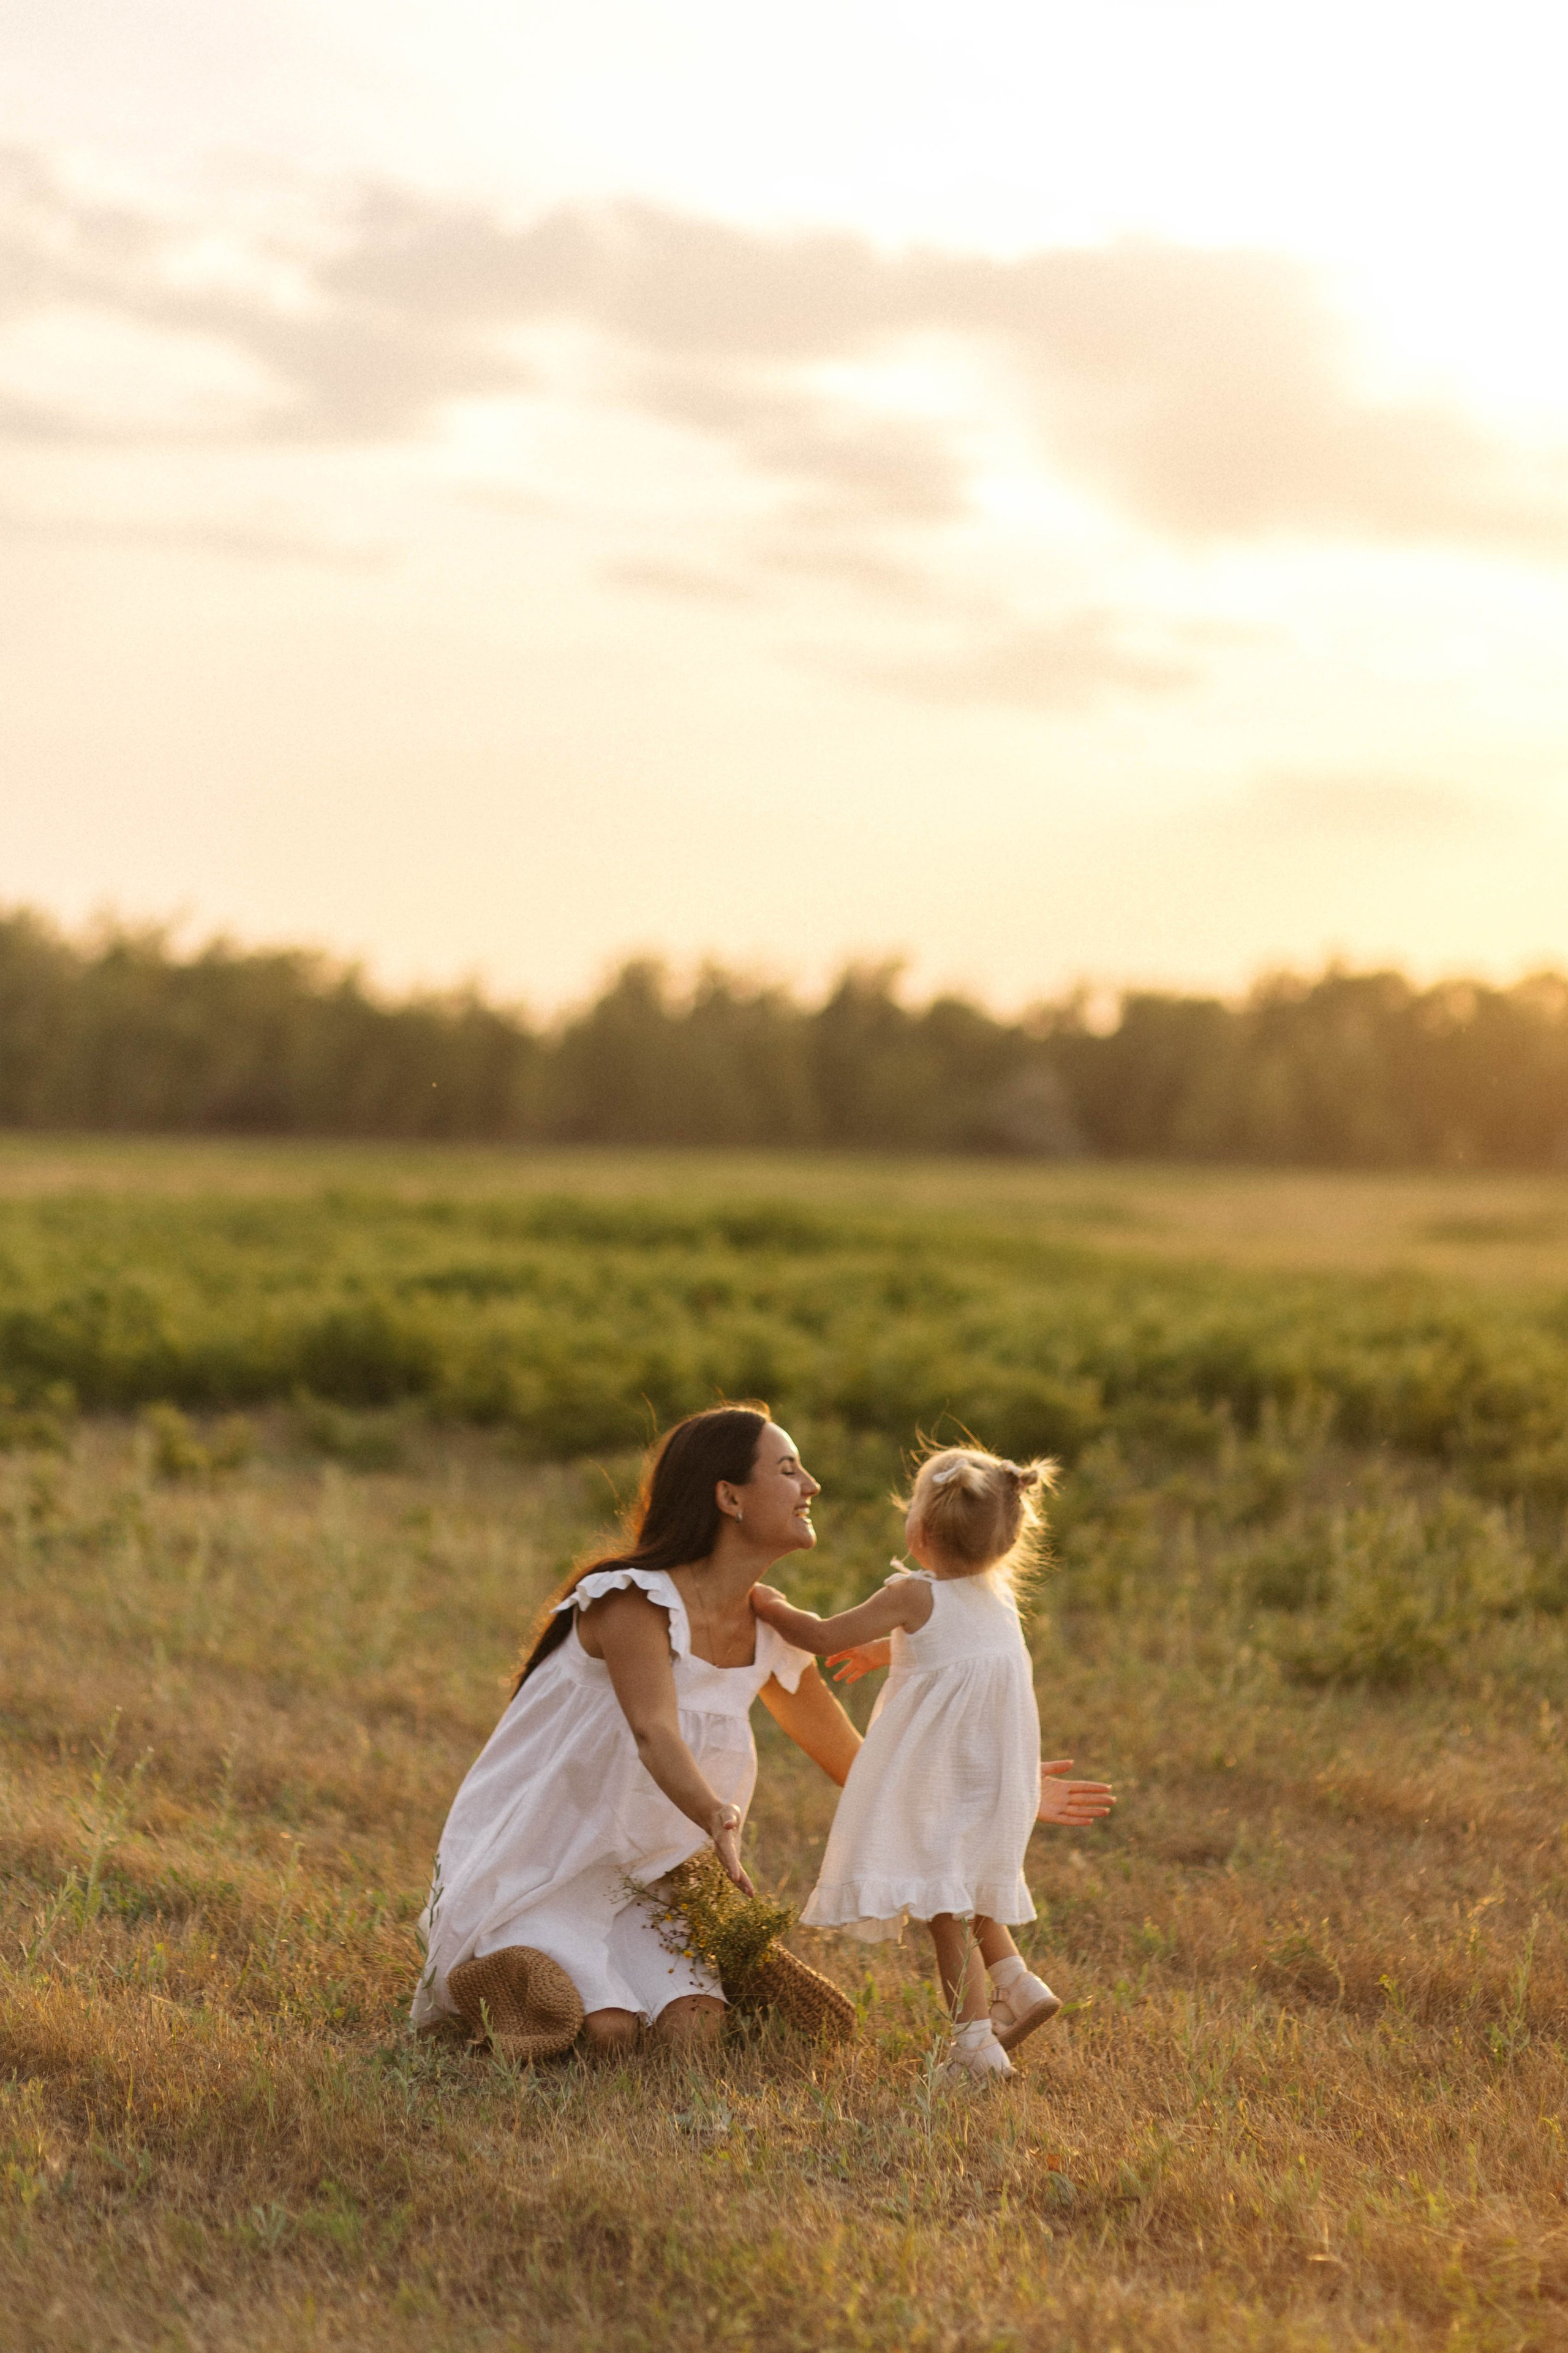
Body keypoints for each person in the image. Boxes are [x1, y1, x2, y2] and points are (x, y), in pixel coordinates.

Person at [412, 1404, 862, 2053]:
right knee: (609, 2034)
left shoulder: (771, 1634)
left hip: (651, 1883)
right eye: (789, 1469)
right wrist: (713, 1812)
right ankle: (499, 1974)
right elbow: (654, 1731)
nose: (811, 1485)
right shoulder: (632, 1598)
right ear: (729, 1496)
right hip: (547, 1866)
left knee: (692, 2033)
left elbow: (853, 1765)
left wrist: (991, 1798)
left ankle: (611, 1988)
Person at [750, 1443, 1115, 2082]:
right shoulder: (997, 1598)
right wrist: (884, 1652)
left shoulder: (910, 1595)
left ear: (918, 1530)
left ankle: (974, 2049)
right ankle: (1017, 1983)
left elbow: (821, 1636)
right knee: (963, 1888)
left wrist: (766, 1604)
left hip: (939, 1781)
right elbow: (952, 1648)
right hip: (989, 1779)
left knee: (946, 1914)